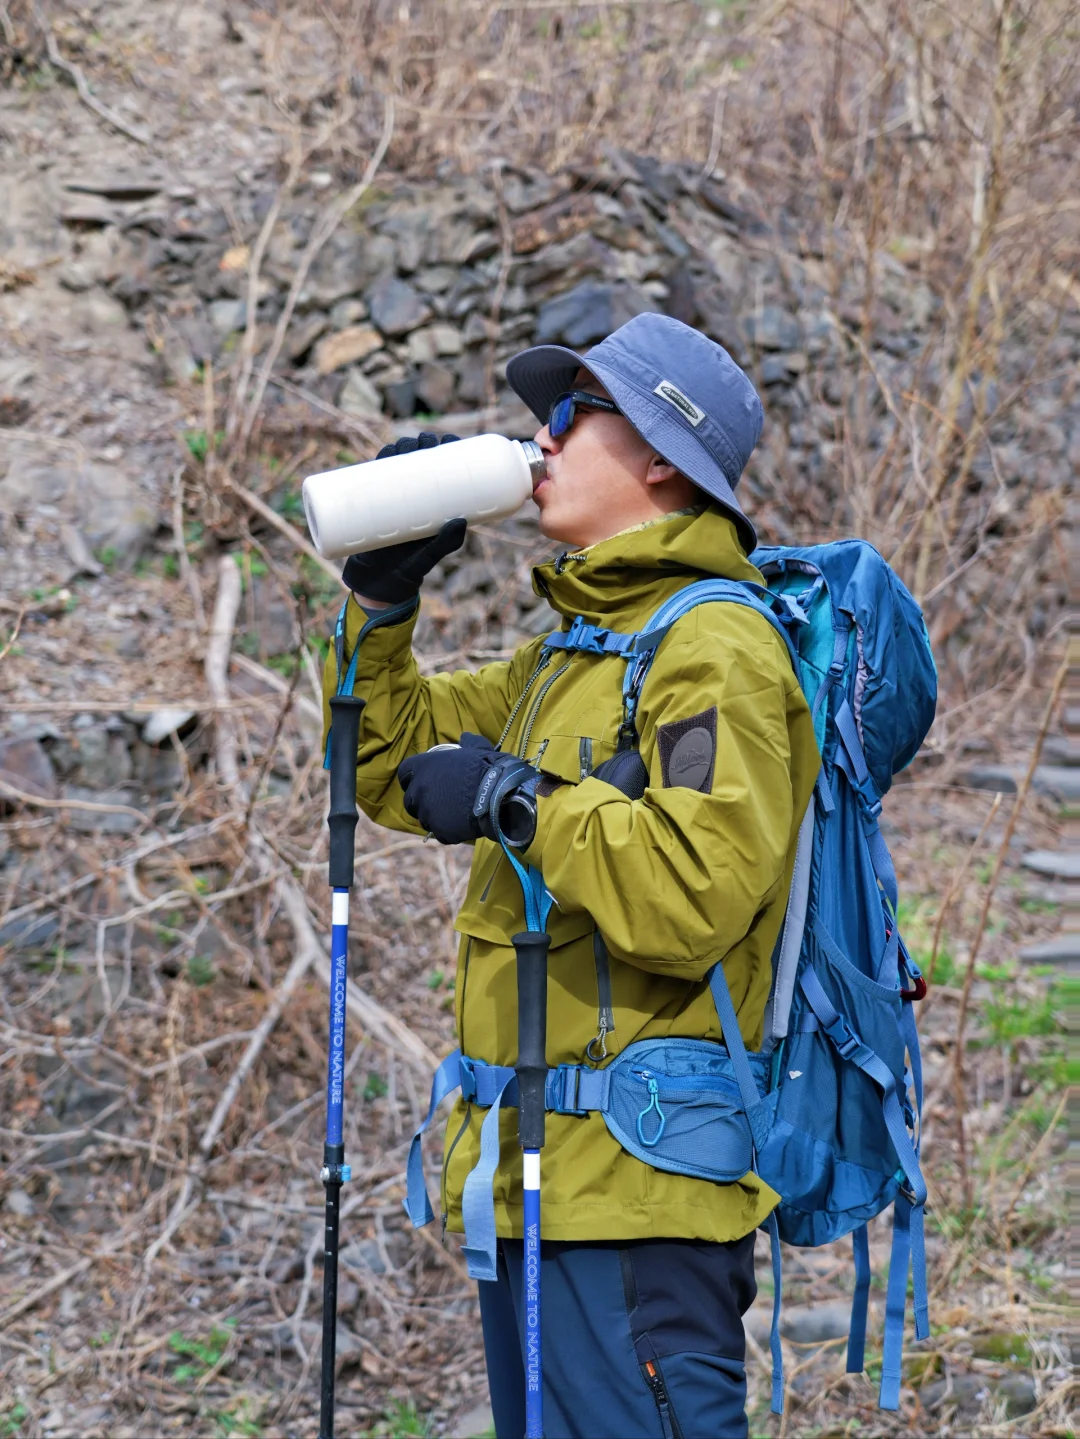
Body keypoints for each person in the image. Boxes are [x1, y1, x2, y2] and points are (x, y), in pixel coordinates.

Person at [321, 313, 819, 1439]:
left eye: (573, 410)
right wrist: (379, 608)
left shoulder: (715, 647)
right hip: (537, 1179)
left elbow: (696, 894)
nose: (539, 436)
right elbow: (390, 769)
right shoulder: (573, 650)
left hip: (638, 1195)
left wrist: (521, 800)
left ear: (660, 455)